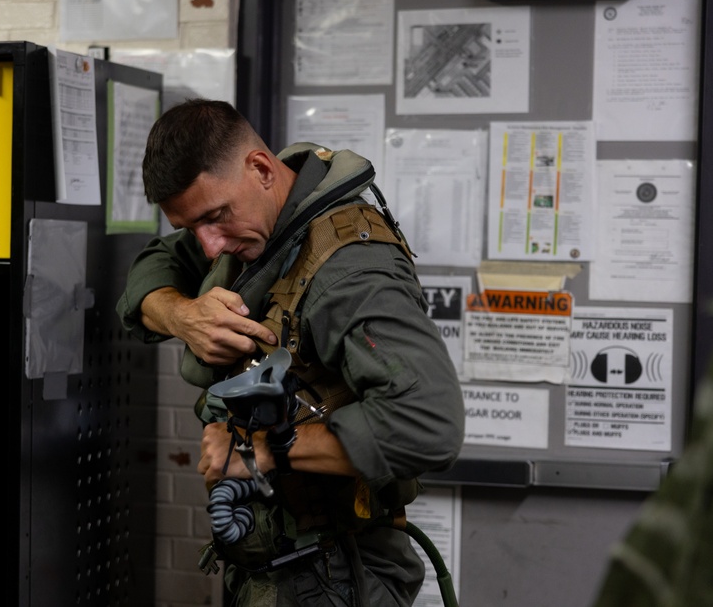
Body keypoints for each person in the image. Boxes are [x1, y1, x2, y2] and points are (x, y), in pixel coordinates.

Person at [116, 99, 464, 606]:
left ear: (260, 169)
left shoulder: (350, 273)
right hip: (279, 568)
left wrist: (260, 450)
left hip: (335, 573)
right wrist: (180, 315)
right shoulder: (266, 225)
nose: (210, 248)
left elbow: (430, 423)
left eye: (215, 218)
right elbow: (154, 267)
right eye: (192, 228)